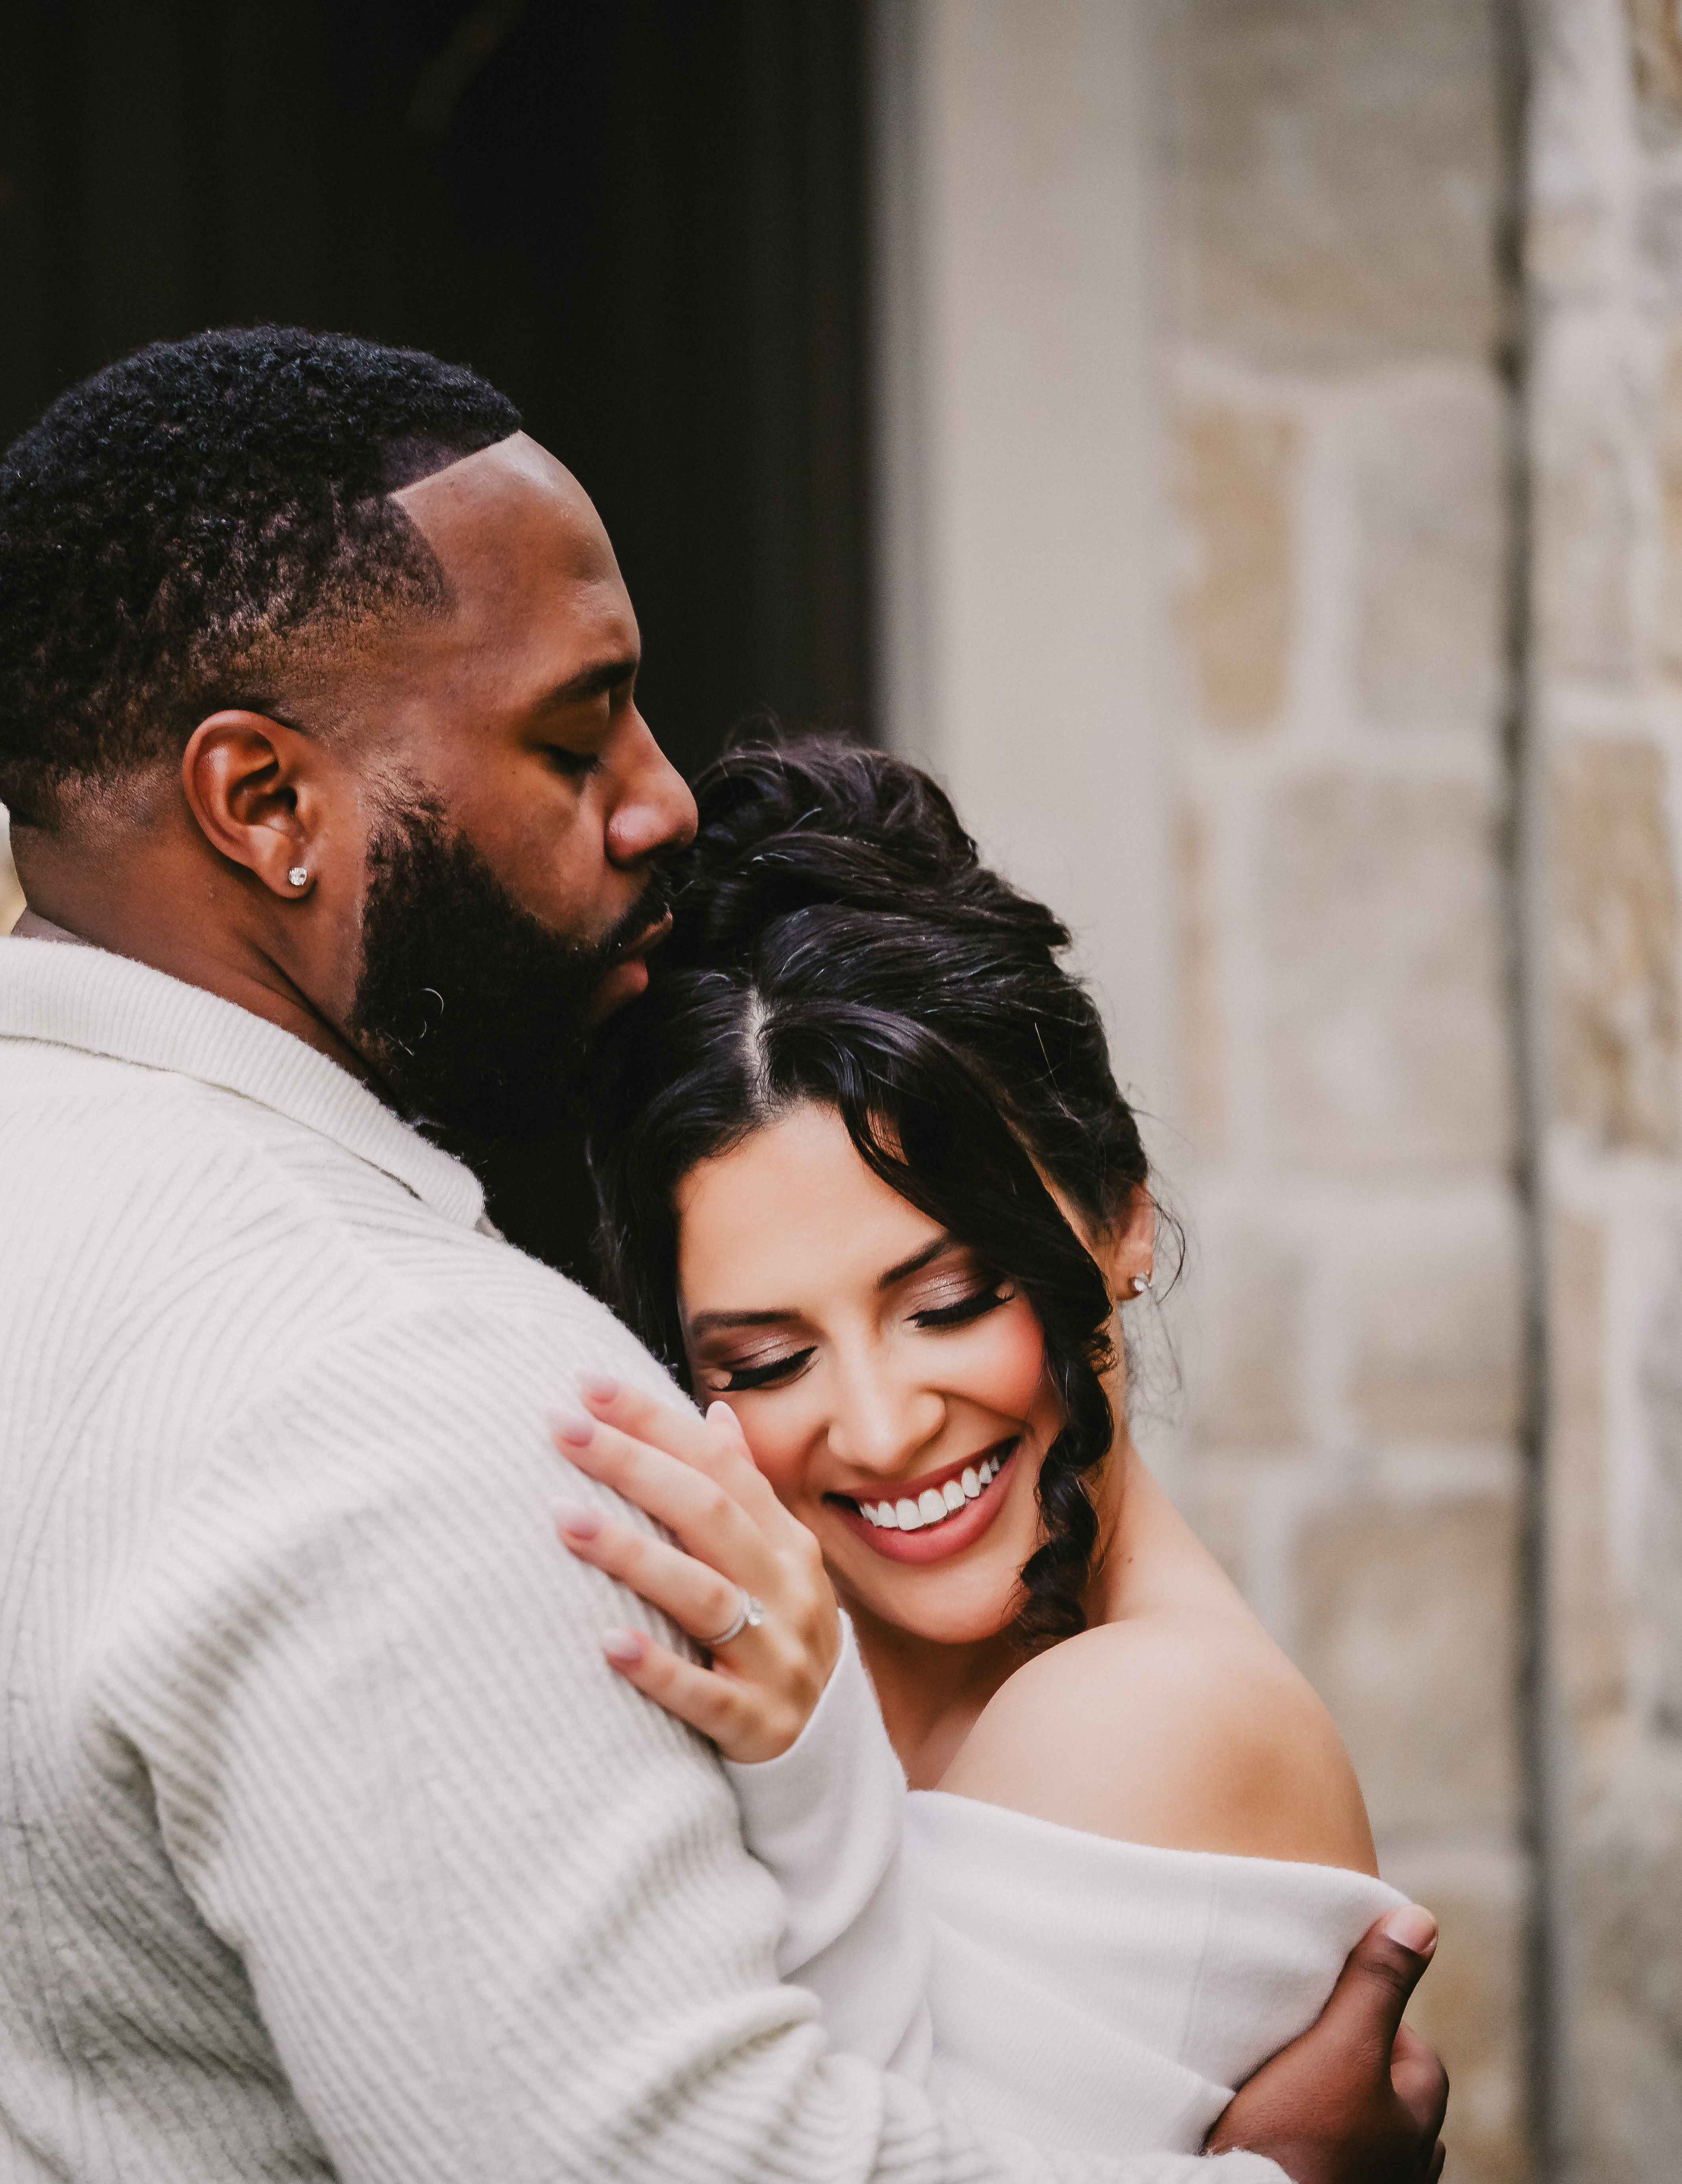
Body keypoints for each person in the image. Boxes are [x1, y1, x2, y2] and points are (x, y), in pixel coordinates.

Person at [0, 327, 1447, 2182]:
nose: (663, 801)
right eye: (574, 734)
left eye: (946, 1291)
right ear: (264, 803)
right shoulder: (402, 1378)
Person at [546, 739, 1411, 2153]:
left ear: (1122, 1216)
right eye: (767, 1361)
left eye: (949, 1303)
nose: (882, 1429)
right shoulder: (782, 1655)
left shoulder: (1151, 1723)